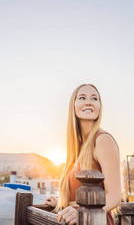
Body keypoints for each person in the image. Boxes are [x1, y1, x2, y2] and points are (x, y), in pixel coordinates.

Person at [45, 84, 121, 225]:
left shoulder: (103, 140)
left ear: (99, 107)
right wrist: (63, 204)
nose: (89, 102)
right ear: (73, 106)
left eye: (94, 98)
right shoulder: (78, 146)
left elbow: (115, 196)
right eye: (82, 97)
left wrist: (82, 213)